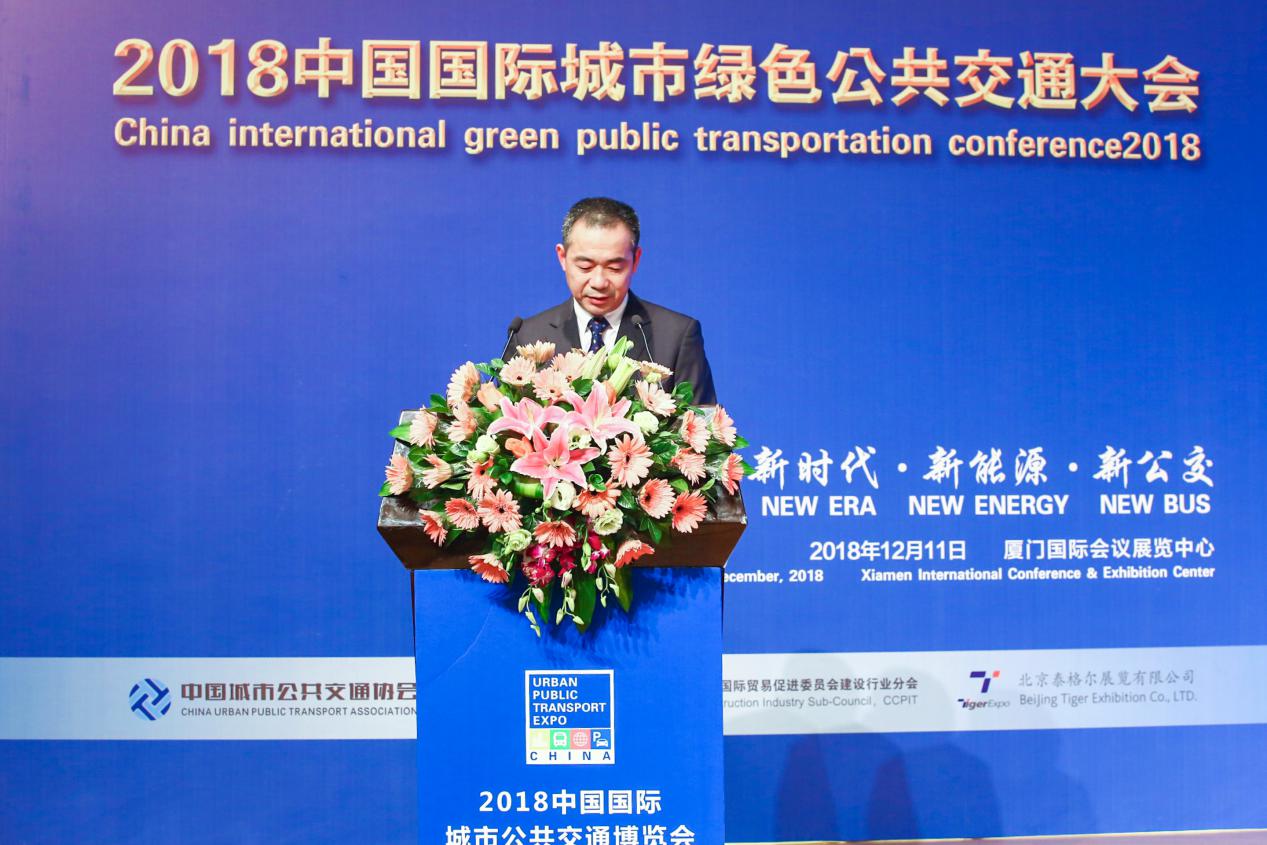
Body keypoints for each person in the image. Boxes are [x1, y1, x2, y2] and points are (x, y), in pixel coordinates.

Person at [513, 197, 717, 404]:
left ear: (636, 260)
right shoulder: (528, 336)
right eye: (585, 267)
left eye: (614, 268)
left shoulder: (676, 336)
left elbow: (701, 420)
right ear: (562, 257)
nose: (599, 282)